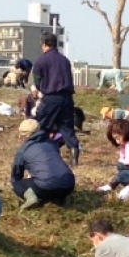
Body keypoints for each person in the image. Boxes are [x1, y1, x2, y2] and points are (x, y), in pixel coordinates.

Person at [32, 32, 80, 165]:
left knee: (43, 125)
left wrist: (40, 88)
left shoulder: (42, 60)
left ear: (45, 44)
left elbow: (37, 80)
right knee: (67, 127)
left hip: (51, 97)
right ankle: (74, 153)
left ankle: (39, 152)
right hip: (67, 98)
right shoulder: (65, 60)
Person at [11, 119, 76, 210]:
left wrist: (19, 186)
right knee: (54, 179)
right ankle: (61, 198)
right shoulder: (52, 143)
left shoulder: (24, 150)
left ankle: (31, 198)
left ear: (24, 135)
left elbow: (17, 174)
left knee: (18, 184)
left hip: (46, 186)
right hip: (69, 184)